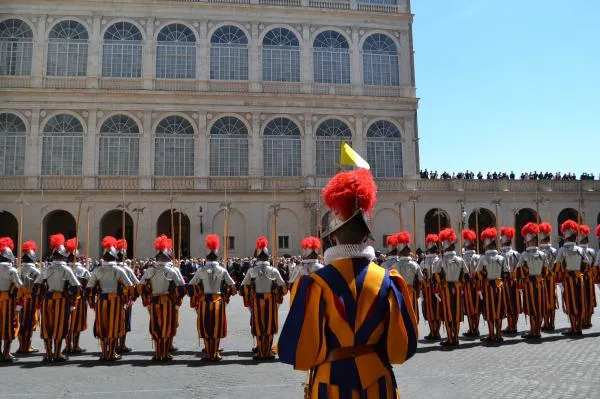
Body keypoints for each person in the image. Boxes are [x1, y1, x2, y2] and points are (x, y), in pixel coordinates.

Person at [278, 168, 418, 398]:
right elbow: (401, 350)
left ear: (332, 238)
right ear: (366, 237)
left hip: (330, 384)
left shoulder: (314, 284)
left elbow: (298, 351)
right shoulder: (389, 280)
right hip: (378, 384)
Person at [188, 234, 236, 362]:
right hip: (218, 301)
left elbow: (191, 284)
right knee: (217, 327)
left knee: (206, 327)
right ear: (217, 255)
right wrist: (226, 295)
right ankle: (215, 352)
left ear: (206, 256)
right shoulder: (222, 270)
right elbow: (232, 286)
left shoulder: (201, 269)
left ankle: (208, 353)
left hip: (204, 301)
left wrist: (197, 294)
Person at [34, 234, 80, 362]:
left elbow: (37, 286)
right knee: (60, 326)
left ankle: (48, 353)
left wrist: (38, 300)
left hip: (47, 299)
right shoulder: (67, 269)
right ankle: (57, 353)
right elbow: (76, 287)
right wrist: (73, 301)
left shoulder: (47, 269)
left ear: (54, 254)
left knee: (47, 326)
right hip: (61, 300)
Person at [86, 236, 133, 361]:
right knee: (113, 326)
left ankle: (104, 352)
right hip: (116, 301)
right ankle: (111, 353)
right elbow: (129, 287)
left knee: (103, 326)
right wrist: (126, 299)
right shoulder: (119, 270)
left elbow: (89, 289)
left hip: (101, 301)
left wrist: (92, 302)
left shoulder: (97, 270)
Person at [139, 235, 185, 361]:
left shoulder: (149, 270)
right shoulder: (173, 270)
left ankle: (158, 352)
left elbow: (141, 287)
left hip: (154, 301)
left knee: (156, 326)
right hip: (168, 301)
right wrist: (177, 301)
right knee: (167, 326)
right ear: (167, 257)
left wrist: (146, 300)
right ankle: (164, 352)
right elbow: (182, 288)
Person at [241, 237, 287, 361]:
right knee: (269, 327)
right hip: (270, 301)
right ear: (267, 256)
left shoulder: (252, 270)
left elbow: (243, 287)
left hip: (256, 301)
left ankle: (261, 352)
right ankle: (267, 352)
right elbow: (284, 289)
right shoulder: (274, 270)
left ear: (257, 257)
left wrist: (250, 293)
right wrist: (276, 291)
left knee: (259, 326)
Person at [434, 228, 469, 347]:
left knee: (449, 314)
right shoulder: (460, 259)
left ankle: (450, 338)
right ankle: (456, 338)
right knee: (457, 314)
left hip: (446, 289)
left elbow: (435, 276)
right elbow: (466, 275)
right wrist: (460, 283)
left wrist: (441, 283)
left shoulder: (441, 260)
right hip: (458, 289)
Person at [554, 220, 589, 336]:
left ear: (566, 237)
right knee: (579, 302)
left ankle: (573, 328)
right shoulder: (580, 249)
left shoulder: (563, 250)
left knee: (570, 302)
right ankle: (579, 327)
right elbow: (586, 264)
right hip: (579, 278)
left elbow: (557, 267)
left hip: (568, 279)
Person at [516, 223, 549, 340]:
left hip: (529, 283)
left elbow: (519, 272)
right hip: (540, 283)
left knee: (531, 307)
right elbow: (546, 271)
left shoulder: (524, 255)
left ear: (529, 242)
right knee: (540, 307)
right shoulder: (543, 254)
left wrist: (520, 285)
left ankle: (533, 330)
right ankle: (538, 330)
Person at [476, 228, 508, 343]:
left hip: (488, 286)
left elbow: (478, 274)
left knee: (489, 311)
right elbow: (506, 274)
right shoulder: (501, 257)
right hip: (499, 285)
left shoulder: (483, 258)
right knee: (499, 311)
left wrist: (484, 277)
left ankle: (491, 335)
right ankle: (499, 335)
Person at [64, 238, 90, 354]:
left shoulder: (63, 268)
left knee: (67, 322)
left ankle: (68, 346)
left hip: (64, 299)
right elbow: (89, 284)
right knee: (77, 324)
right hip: (79, 300)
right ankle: (75, 345)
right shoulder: (82, 270)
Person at [0, 237, 22, 362]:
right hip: (7, 300)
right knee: (8, 326)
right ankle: (6, 353)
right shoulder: (12, 269)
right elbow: (19, 286)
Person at [16, 240, 40, 354]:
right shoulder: (36, 271)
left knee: (21, 322)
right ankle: (26, 346)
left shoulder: (18, 270)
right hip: (30, 299)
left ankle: (21, 346)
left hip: (18, 299)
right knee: (30, 323)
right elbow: (39, 287)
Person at [115, 239, 139, 353]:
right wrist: (134, 296)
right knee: (124, 322)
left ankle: (114, 344)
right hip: (124, 299)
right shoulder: (127, 269)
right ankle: (122, 344)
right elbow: (135, 284)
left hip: (112, 300)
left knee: (113, 322)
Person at [394, 232, 422, 323]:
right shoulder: (415, 265)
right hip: (411, 292)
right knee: (412, 315)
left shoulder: (395, 266)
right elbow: (420, 280)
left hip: (399, 292)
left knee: (402, 316)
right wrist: (417, 291)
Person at [288, 236, 324, 304]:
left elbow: (291, 287)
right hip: (318, 303)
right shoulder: (323, 268)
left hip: (302, 302)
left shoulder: (298, 268)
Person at [499, 227, 520, 334]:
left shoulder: (502, 255)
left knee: (509, 304)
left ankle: (511, 326)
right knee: (514, 304)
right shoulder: (516, 253)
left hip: (507, 282)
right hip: (515, 281)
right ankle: (513, 325)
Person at [538, 222, 558, 331]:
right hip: (552, 278)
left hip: (542, 278)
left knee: (544, 300)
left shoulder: (539, 251)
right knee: (552, 299)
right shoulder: (555, 250)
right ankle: (552, 323)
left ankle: (546, 322)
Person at [421, 233, 441, 340]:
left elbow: (420, 277)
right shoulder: (439, 260)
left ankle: (432, 332)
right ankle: (436, 332)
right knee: (436, 310)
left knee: (429, 310)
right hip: (437, 289)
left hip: (427, 289)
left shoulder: (423, 261)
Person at [462, 229, 481, 337]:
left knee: (469, 308)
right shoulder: (479, 257)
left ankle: (471, 328)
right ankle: (476, 328)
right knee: (477, 307)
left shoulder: (463, 257)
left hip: (467, 286)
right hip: (478, 285)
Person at [577, 225, 596, 329]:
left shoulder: (579, 251)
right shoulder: (592, 251)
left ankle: (584, 320)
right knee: (589, 298)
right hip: (589, 276)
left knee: (582, 298)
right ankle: (588, 320)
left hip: (580, 276)